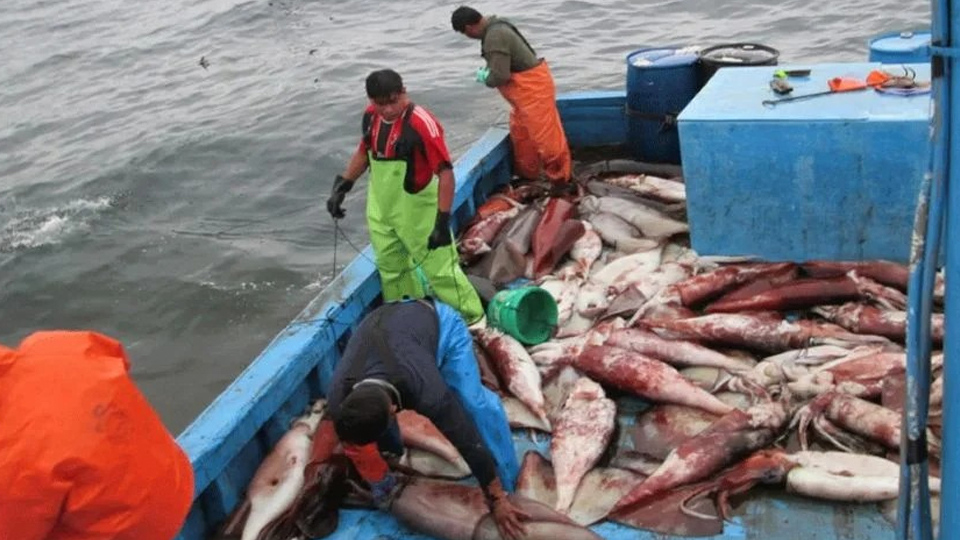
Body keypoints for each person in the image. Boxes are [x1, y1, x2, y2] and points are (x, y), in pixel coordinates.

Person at [325, 298, 527, 539]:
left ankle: (508, 479)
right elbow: (352, 441)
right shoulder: (339, 397)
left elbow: (468, 441)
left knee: (474, 405)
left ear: (394, 409)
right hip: (382, 327)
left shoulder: (427, 392)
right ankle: (390, 462)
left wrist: (496, 501)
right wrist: (379, 481)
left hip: (439, 324)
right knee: (372, 439)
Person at [326, 69, 485, 326]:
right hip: (381, 207)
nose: (388, 109)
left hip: (418, 208)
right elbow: (364, 152)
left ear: (404, 92)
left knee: (441, 270)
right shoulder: (370, 118)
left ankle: (473, 319)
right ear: (370, 101)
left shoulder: (422, 123)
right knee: (391, 267)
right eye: (380, 104)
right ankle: (407, 318)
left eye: (393, 101)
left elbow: (446, 174)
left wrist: (442, 220)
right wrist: (343, 186)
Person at [0, 330, 194, 540]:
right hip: (176, 480)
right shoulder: (53, 345)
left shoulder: (13, 459)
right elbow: (117, 356)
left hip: (135, 530)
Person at [451, 5, 573, 188]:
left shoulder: (494, 36)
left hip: (533, 91)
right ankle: (530, 176)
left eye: (465, 33)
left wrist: (486, 78)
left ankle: (561, 181)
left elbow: (501, 76)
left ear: (468, 28)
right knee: (521, 133)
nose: (468, 36)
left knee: (546, 138)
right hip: (524, 96)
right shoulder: (498, 25)